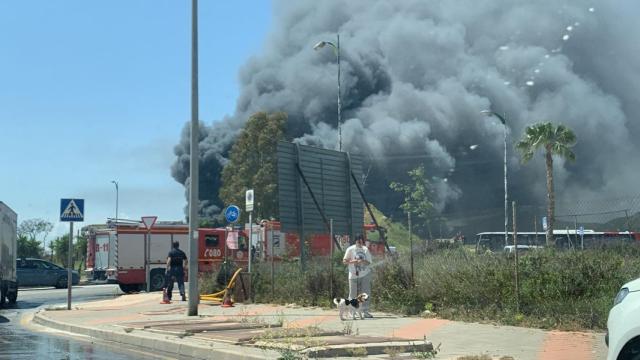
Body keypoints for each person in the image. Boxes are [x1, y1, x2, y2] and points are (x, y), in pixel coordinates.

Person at [342, 234, 373, 318]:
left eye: (361, 240)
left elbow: (369, 262)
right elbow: (344, 261)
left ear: (363, 241)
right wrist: (353, 261)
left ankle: (365, 311)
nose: (359, 242)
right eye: (358, 241)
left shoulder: (365, 249)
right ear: (355, 241)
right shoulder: (350, 249)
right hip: (353, 274)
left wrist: (362, 261)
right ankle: (352, 312)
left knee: (365, 293)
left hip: (364, 274)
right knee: (352, 294)